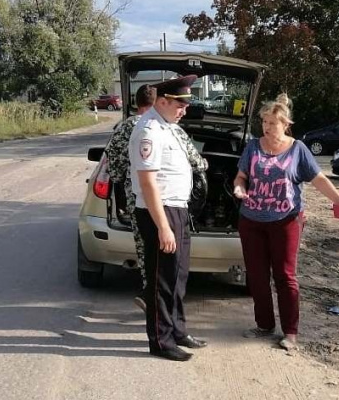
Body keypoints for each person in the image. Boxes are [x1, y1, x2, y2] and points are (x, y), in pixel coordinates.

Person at [232, 93, 339, 351]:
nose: (267, 128)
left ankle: (290, 332)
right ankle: (264, 325)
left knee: (285, 276)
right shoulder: (253, 146)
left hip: (286, 220)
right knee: (256, 276)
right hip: (251, 219)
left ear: (286, 124)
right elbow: (241, 176)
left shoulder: (298, 149)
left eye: (272, 123)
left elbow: (318, 178)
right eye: (264, 122)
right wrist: (239, 188)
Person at [129, 75, 208, 362]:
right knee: (162, 279)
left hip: (177, 208)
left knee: (179, 276)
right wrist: (163, 227)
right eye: (179, 104)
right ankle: (161, 341)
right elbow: (148, 183)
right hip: (159, 211)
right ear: (162, 101)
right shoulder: (148, 130)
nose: (184, 109)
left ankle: (177, 329)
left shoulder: (169, 127)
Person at [105, 84, 157, 313]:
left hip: (135, 195)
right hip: (166, 196)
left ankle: (150, 291)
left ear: (136, 102)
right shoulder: (161, 127)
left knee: (145, 246)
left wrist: (121, 184)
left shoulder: (126, 127)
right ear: (156, 103)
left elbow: (113, 162)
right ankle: (161, 296)